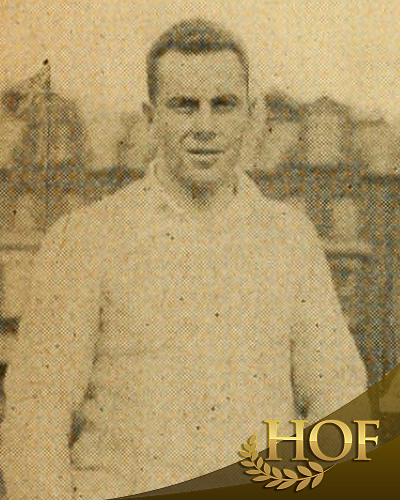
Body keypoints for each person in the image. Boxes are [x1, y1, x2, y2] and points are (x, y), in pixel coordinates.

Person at [1, 18, 367, 500]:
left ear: (250, 115)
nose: (205, 127)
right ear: (151, 118)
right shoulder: (85, 239)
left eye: (223, 104)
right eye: (184, 106)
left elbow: (339, 397)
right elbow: (36, 411)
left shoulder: (290, 239)